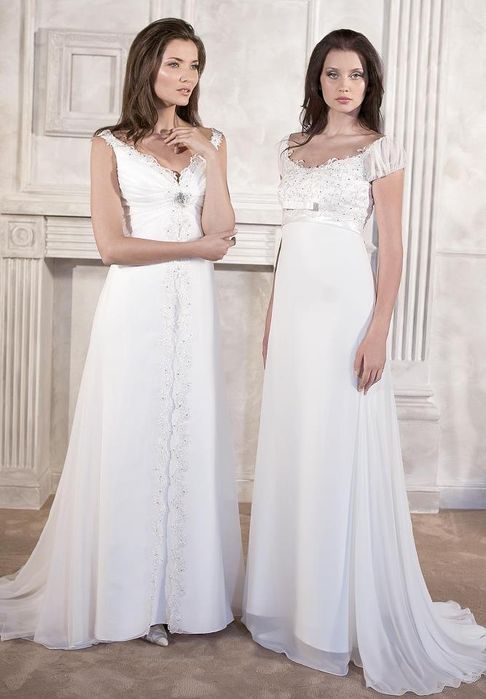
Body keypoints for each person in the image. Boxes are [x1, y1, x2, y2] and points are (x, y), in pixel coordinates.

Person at [242, 28, 486, 695]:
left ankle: (337, 611)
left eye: (355, 75)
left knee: (339, 446)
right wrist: (272, 318)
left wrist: (379, 330)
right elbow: (287, 245)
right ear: (316, 81)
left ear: (370, 82)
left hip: (348, 315)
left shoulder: (382, 150)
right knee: (296, 444)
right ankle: (290, 602)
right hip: (296, 319)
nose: (344, 85)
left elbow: (393, 251)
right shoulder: (291, 149)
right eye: (332, 74)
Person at [0, 17, 243, 650]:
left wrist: (210, 159)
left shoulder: (212, 140)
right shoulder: (109, 143)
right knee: (133, 439)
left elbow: (223, 231)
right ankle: (130, 599)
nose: (186, 77)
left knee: (188, 437)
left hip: (193, 310)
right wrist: (190, 247)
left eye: (194, 66)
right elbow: (111, 246)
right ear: (147, 66)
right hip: (135, 309)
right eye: (174, 64)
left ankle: (184, 597)